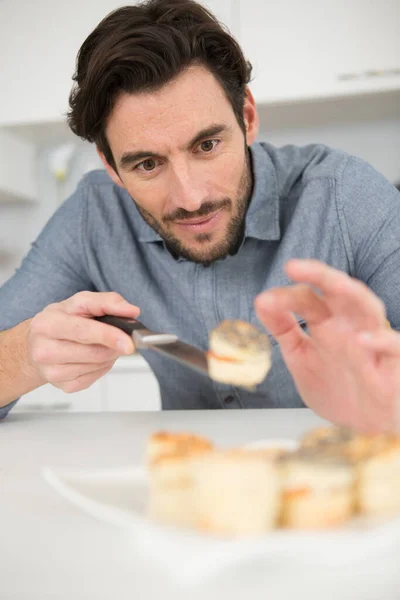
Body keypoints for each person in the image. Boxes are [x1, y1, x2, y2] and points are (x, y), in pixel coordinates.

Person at [1, 0, 400, 432]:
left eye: (207, 145)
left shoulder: (345, 195)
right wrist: (25, 355)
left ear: (246, 117)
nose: (190, 198)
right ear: (110, 166)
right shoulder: (92, 219)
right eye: (147, 164)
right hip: (186, 478)